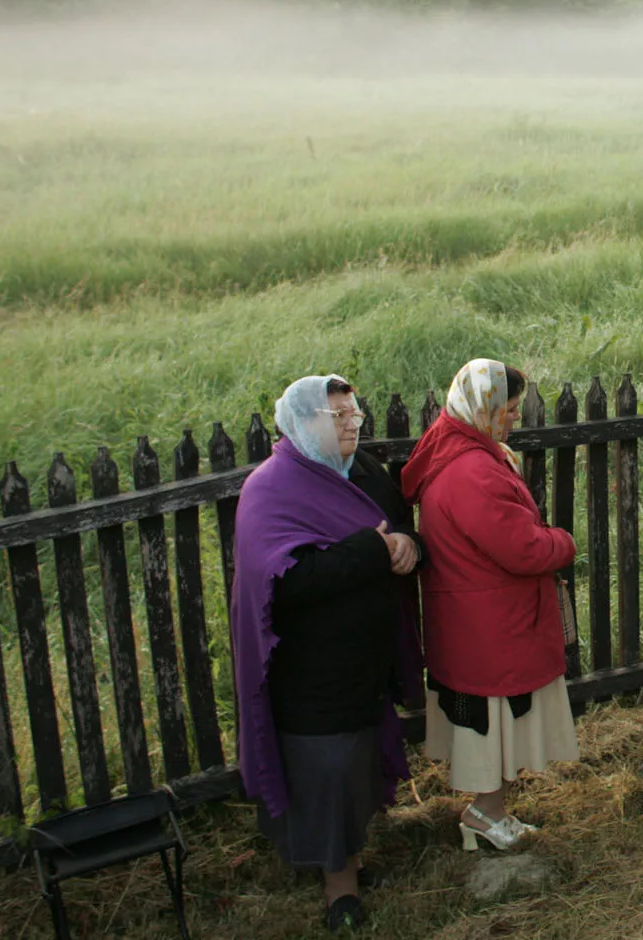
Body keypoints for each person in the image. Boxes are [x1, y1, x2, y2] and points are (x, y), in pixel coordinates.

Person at [231, 374, 423, 931]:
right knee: (327, 767)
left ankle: (352, 862)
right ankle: (339, 890)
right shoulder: (272, 488)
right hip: (308, 668)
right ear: (301, 423)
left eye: (354, 415)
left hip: (365, 658)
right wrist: (373, 549)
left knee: (357, 761)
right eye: (335, 417)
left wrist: (411, 544)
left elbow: (401, 525)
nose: (350, 425)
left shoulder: (362, 473)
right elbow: (286, 580)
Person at [401, 359, 578, 851]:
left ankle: (490, 812)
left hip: (476, 617)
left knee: (490, 719)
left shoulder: (453, 450)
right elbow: (521, 548)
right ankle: (484, 815)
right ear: (483, 406)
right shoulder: (472, 470)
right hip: (490, 624)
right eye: (510, 409)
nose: (515, 419)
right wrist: (563, 543)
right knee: (493, 722)